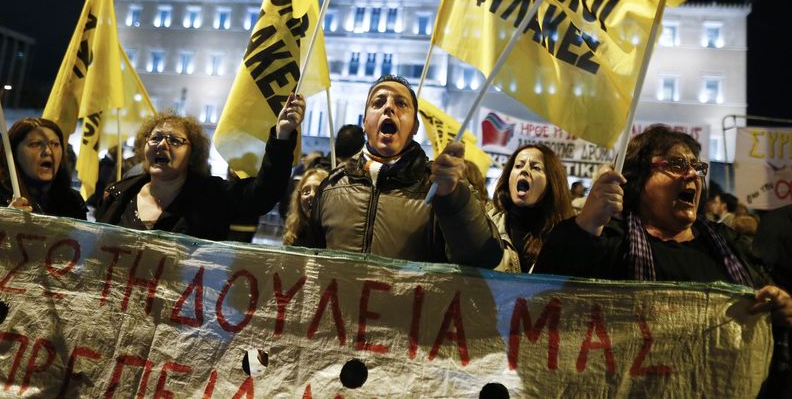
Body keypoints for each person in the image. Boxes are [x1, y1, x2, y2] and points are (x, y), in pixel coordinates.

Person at [534, 125, 791, 393]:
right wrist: (586, 223)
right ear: (639, 179)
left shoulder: (731, 246)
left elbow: (769, 308)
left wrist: (782, 307)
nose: (691, 173)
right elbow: (543, 304)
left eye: (696, 166)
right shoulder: (609, 241)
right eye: (677, 164)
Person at [305, 75, 503, 268]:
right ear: (365, 122)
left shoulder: (438, 187)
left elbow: (485, 258)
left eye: (401, 104)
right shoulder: (332, 186)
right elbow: (308, 265)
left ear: (415, 126)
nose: (389, 107)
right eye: (378, 103)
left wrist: (453, 199)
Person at [96, 94, 304, 241]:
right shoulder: (118, 194)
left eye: (175, 140)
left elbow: (263, 194)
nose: (162, 145)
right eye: (156, 138)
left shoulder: (213, 197)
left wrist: (282, 136)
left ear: (193, 153)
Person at [489, 144, 573, 273]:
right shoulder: (489, 224)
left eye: (536, 167)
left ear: (552, 182)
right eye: (518, 166)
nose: (525, 170)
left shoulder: (565, 235)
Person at [0, 117, 86, 219]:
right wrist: (2, 221)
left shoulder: (73, 201)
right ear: (13, 153)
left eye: (54, 144)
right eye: (35, 144)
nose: (48, 151)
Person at [283, 167, 329, 246]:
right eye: (306, 191)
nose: (311, 195)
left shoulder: (334, 235)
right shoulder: (294, 233)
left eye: (319, 190)